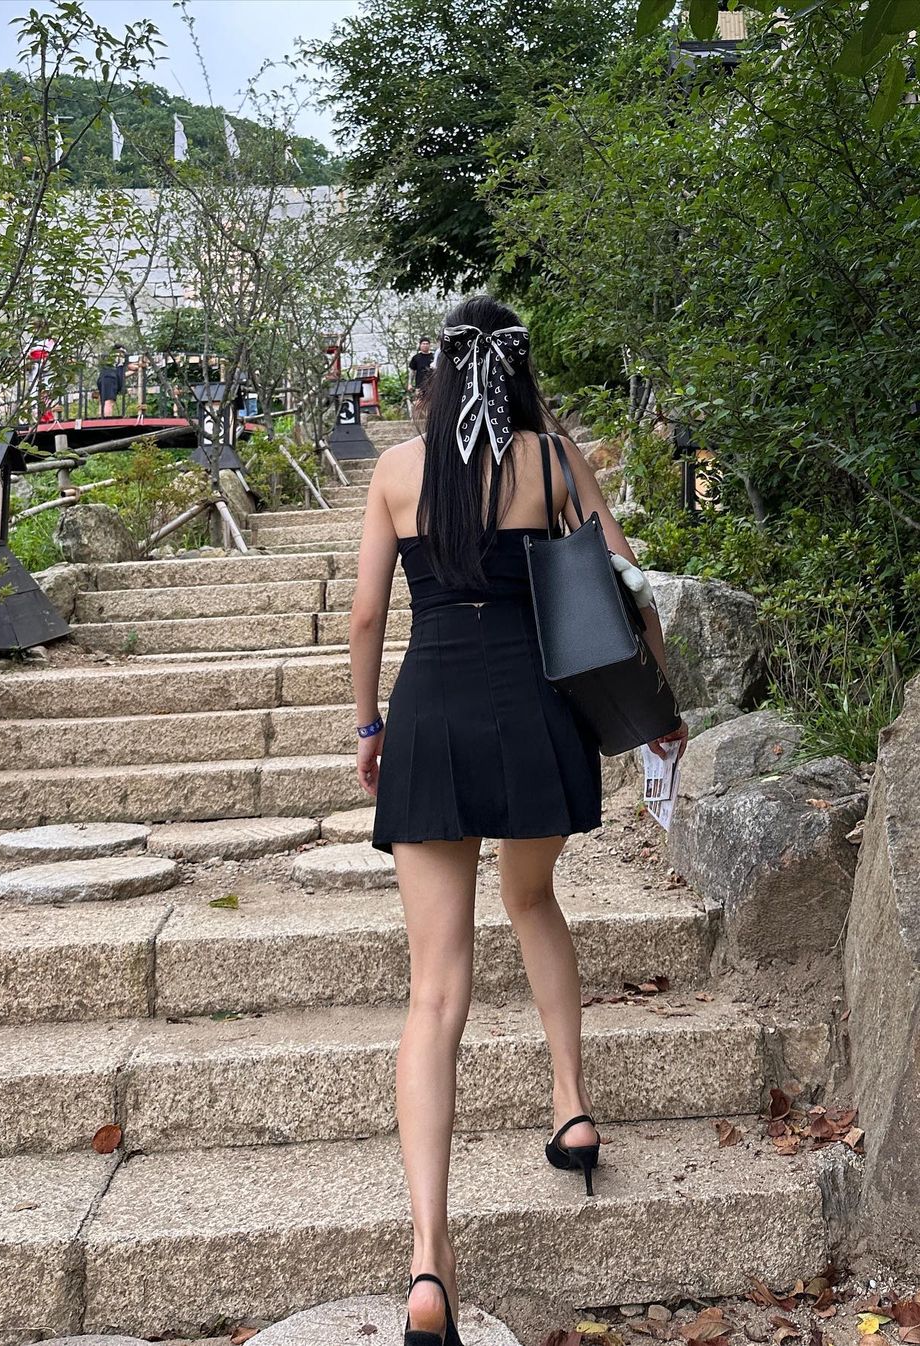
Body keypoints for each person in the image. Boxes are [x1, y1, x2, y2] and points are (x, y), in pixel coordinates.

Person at [349, 295, 688, 1346]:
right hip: (535, 714)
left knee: (434, 989)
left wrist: (368, 725)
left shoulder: (397, 471)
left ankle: (428, 1260)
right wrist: (660, 706)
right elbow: (629, 587)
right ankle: (571, 1104)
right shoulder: (552, 460)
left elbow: (366, 615)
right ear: (518, 372)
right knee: (533, 899)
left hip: (432, 716)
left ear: (439, 375)